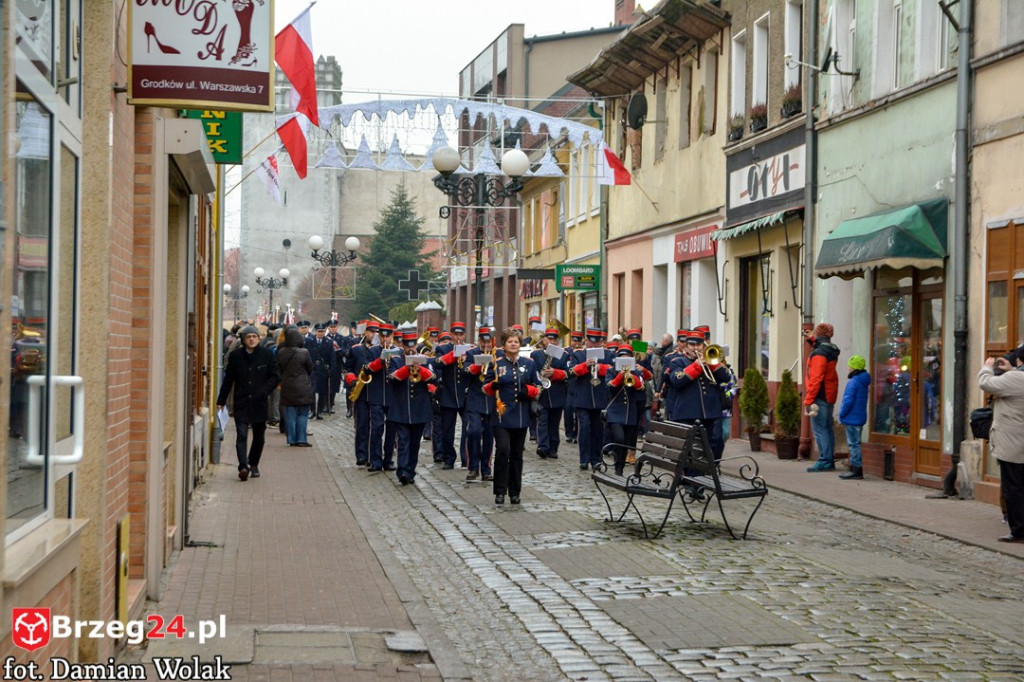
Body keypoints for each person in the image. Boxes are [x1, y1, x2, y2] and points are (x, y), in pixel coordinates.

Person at [483, 328, 541, 504]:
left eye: (516, 341)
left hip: (521, 416)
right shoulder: (496, 363)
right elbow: (484, 388)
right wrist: (493, 386)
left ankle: (515, 491)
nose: (513, 344)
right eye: (510, 341)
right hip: (502, 415)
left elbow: (538, 387)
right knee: (503, 451)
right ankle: (500, 491)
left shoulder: (529, 364)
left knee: (517, 455)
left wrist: (528, 391)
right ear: (504, 345)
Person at [217, 325, 280, 480]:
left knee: (259, 437)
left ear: (258, 338)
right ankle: (243, 466)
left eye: (254, 336)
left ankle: (253, 463)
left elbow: (275, 376)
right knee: (242, 435)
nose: (252, 339)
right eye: (248, 337)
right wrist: (221, 399)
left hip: (259, 402)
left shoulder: (266, 355)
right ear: (244, 339)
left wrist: (265, 391)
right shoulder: (236, 356)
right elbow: (229, 379)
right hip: (242, 401)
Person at [977, 350, 1024, 542]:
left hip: (1013, 443)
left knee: (1013, 488)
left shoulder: (1016, 378)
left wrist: (987, 367)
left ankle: (1019, 531)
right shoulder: (1016, 377)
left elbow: (985, 383)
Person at [385, 332, 435, 480]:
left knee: (415, 443)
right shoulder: (396, 360)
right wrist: (407, 368)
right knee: (403, 441)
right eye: (407, 345)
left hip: (419, 408)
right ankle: (403, 471)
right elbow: (392, 378)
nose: (410, 348)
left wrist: (420, 368)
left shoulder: (424, 360)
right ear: (402, 345)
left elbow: (434, 379)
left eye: (413, 345)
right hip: (401, 407)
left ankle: (411, 471)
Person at [568, 329, 612, 470]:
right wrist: (585, 365)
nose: (593, 345)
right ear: (586, 341)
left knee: (598, 429)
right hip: (583, 397)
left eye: (597, 342)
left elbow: (613, 370)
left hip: (600, 397)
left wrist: (600, 367)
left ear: (600, 342)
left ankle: (596, 459)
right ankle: (584, 458)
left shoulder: (608, 354)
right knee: (585, 427)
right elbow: (572, 371)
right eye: (591, 341)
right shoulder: (579, 354)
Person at [605, 345, 649, 475]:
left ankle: (620, 468)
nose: (625, 359)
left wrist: (632, 376)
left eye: (627, 357)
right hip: (615, 411)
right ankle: (617, 462)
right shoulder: (611, 371)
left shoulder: (637, 372)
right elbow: (610, 388)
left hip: (630, 412)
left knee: (625, 442)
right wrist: (620, 376)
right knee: (619, 438)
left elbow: (641, 391)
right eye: (622, 357)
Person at [804, 322, 841, 472]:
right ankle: (829, 459)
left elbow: (816, 378)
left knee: (820, 429)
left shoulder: (819, 353)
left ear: (819, 335)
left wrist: (808, 399)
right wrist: (812, 337)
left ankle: (825, 460)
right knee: (827, 428)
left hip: (820, 395)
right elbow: (821, 344)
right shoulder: (830, 349)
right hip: (829, 393)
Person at [530, 328, 569, 460]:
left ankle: (553, 448)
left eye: (554, 339)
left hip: (557, 392)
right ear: (544, 339)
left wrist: (554, 372)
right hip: (542, 393)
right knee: (542, 421)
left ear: (558, 341)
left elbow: (567, 373)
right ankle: (543, 446)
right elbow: (532, 372)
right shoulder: (536, 355)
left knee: (554, 423)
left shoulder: (564, 355)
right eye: (549, 339)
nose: (552, 341)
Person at [463, 328, 496, 481]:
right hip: (475, 399)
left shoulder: (498, 355)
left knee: (489, 436)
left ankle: (486, 469)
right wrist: (480, 362)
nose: (486, 344)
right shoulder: (471, 353)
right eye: (483, 341)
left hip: (491, 400)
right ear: (479, 341)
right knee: (474, 432)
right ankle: (473, 467)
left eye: (488, 341)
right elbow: (466, 372)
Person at [276, 325, 314, 447]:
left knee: (290, 414)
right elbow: (310, 368)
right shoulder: (304, 352)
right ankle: (301, 439)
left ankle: (291, 439)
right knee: (303, 414)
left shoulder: (281, 352)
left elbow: (279, 369)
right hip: (303, 386)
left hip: (287, 386)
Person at [838, 354, 870, 479]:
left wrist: (842, 414)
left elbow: (848, 401)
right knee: (856, 443)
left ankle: (856, 469)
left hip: (851, 417)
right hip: (860, 416)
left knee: (853, 444)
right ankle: (855, 468)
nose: (848, 368)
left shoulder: (853, 382)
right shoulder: (863, 382)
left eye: (850, 366)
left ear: (854, 368)